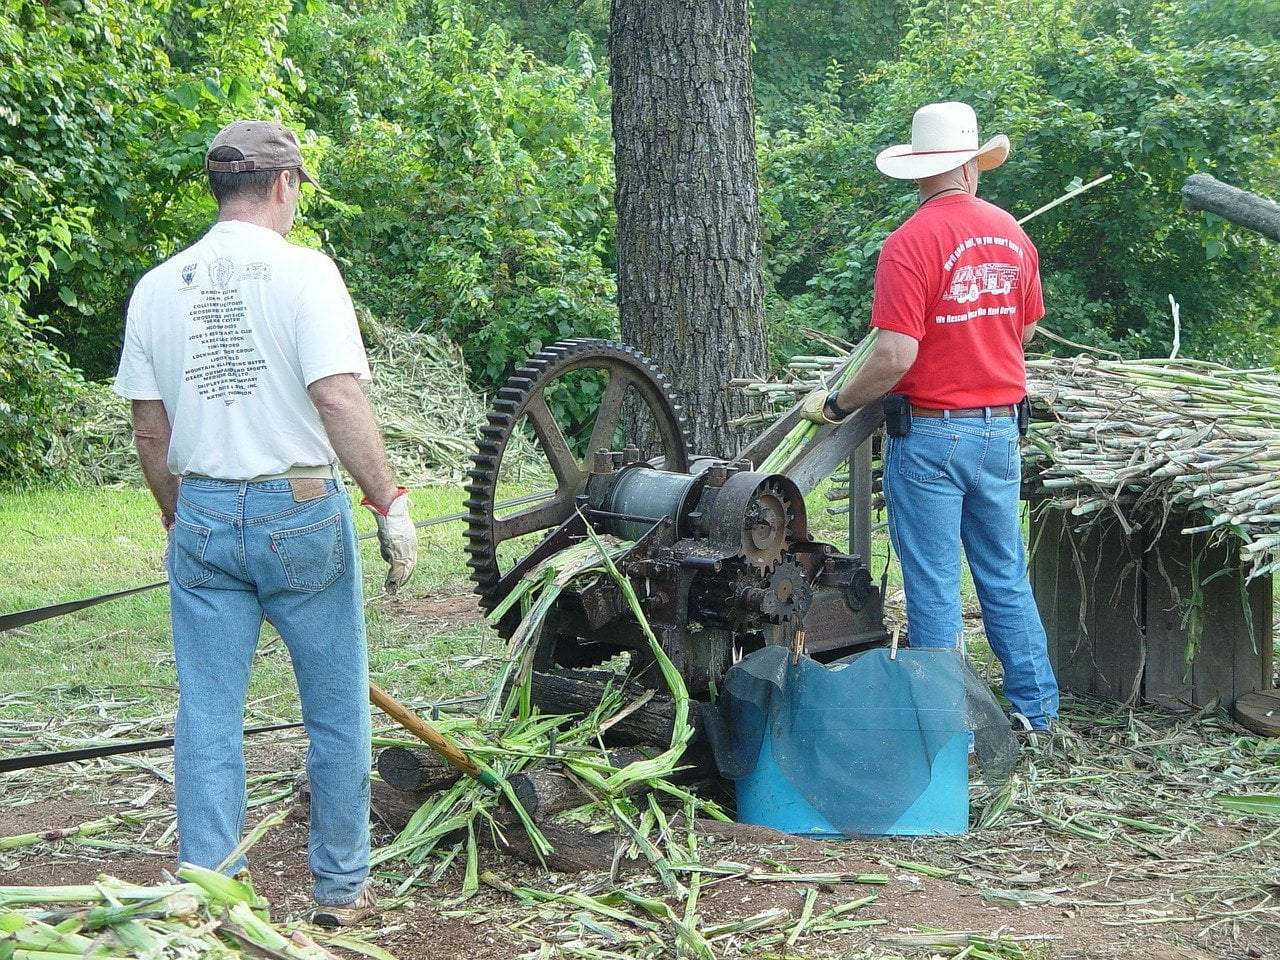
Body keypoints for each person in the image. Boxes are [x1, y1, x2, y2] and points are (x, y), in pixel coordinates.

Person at [113, 119, 418, 925]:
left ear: (220, 189)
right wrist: (388, 500)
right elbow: (337, 396)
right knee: (336, 708)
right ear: (284, 186)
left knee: (208, 712)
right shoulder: (306, 275)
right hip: (301, 508)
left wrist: (180, 517)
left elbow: (150, 431)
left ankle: (208, 892)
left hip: (204, 507)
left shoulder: (157, 287)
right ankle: (340, 890)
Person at [803, 101, 1060, 732]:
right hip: (1001, 427)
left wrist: (836, 402)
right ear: (972, 166)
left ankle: (943, 726)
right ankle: (1035, 713)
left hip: (932, 433)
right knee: (1004, 575)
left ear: (920, 171)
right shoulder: (1012, 234)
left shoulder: (909, 244)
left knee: (935, 586)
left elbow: (894, 355)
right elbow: (1025, 325)